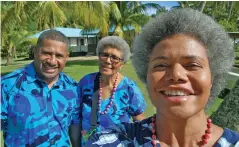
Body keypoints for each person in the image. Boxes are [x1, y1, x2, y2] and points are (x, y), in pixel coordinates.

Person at [85, 8, 239, 147]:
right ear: (146, 75)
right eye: (161, 65)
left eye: (193, 65)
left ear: (212, 77)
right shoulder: (108, 141)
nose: (176, 75)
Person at [1, 30, 80, 147]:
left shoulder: (73, 88)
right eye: (47, 53)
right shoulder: (7, 85)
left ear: (66, 57)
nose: (52, 61)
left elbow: (75, 132)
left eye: (59, 55)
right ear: (35, 52)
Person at [71, 36, 146, 146]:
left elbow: (140, 123)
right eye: (104, 55)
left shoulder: (129, 88)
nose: (107, 60)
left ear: (122, 64)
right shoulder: (86, 83)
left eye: (114, 58)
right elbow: (76, 120)